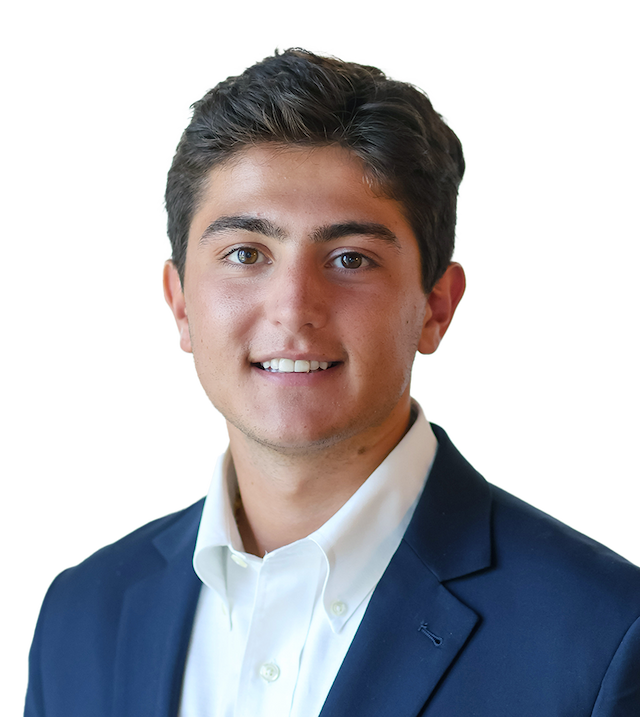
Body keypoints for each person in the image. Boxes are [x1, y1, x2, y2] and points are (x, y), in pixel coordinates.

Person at [22, 46, 640, 717]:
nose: (293, 308)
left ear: (436, 306)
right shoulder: (81, 616)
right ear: (180, 303)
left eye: (350, 258)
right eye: (246, 253)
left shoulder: (604, 636)